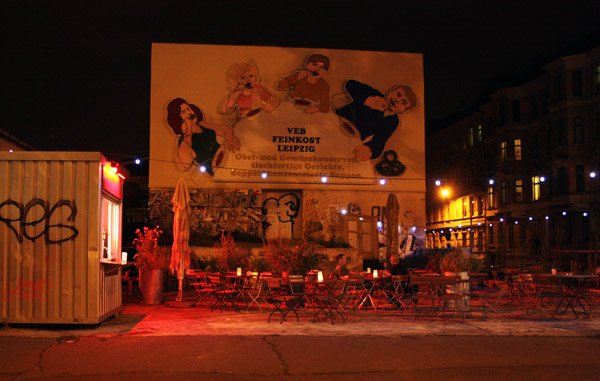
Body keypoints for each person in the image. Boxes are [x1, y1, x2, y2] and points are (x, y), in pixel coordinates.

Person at [334, 80, 417, 160]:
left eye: (403, 102)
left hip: (350, 138)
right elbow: (350, 84)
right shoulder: (374, 94)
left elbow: (380, 141)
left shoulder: (392, 121)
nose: (397, 100)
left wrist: (369, 150)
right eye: (398, 94)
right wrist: (367, 99)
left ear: (403, 110)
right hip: (334, 121)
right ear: (390, 91)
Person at [167, 98, 241, 174]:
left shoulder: (202, 125)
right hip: (215, 172)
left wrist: (229, 138)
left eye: (188, 109)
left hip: (227, 159)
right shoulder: (184, 142)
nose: (189, 112)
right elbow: (184, 165)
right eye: (184, 112)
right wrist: (188, 132)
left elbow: (225, 130)